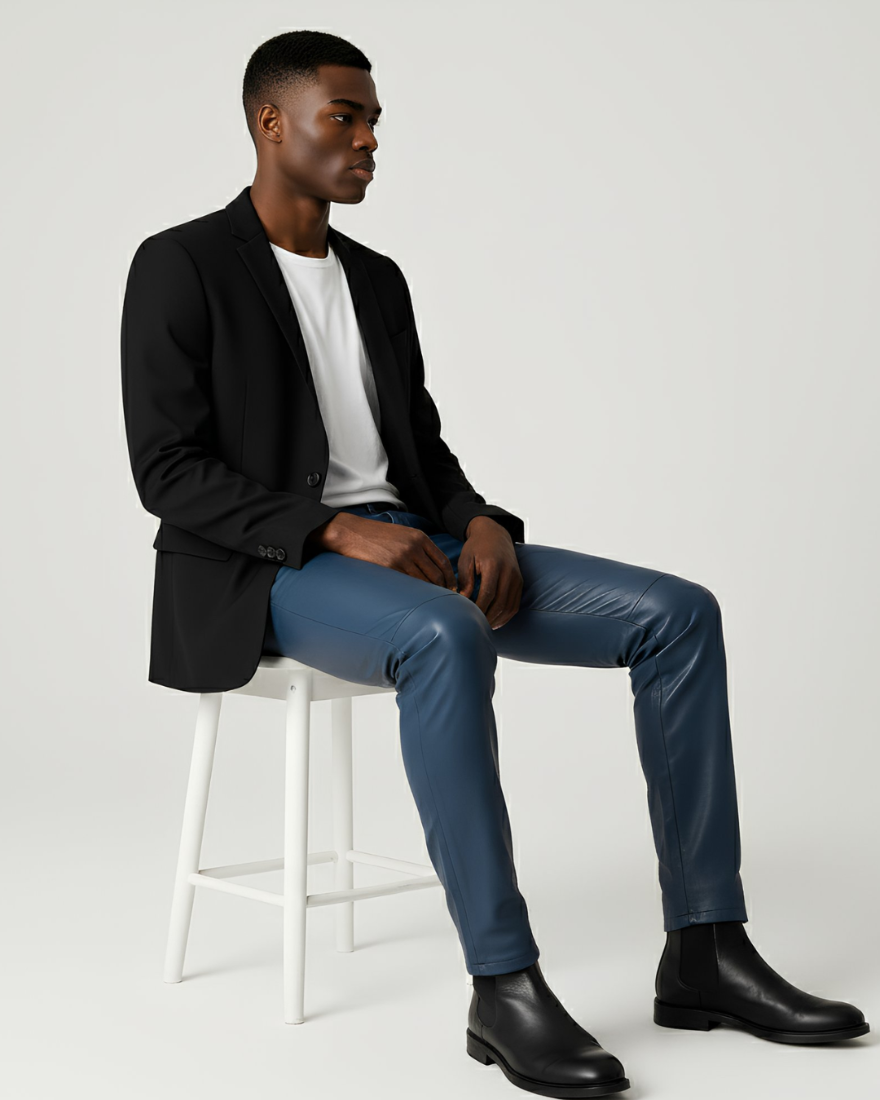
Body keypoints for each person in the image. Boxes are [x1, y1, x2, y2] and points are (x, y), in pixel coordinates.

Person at [120, 29, 868, 1099]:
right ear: (270, 123)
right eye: (350, 117)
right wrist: (332, 527)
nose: (372, 139)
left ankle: (705, 946)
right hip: (266, 568)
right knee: (445, 634)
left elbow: (421, 451)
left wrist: (482, 525)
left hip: (411, 544)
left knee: (678, 614)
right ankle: (503, 983)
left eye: (377, 119)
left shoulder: (375, 280)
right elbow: (166, 470)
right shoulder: (181, 264)